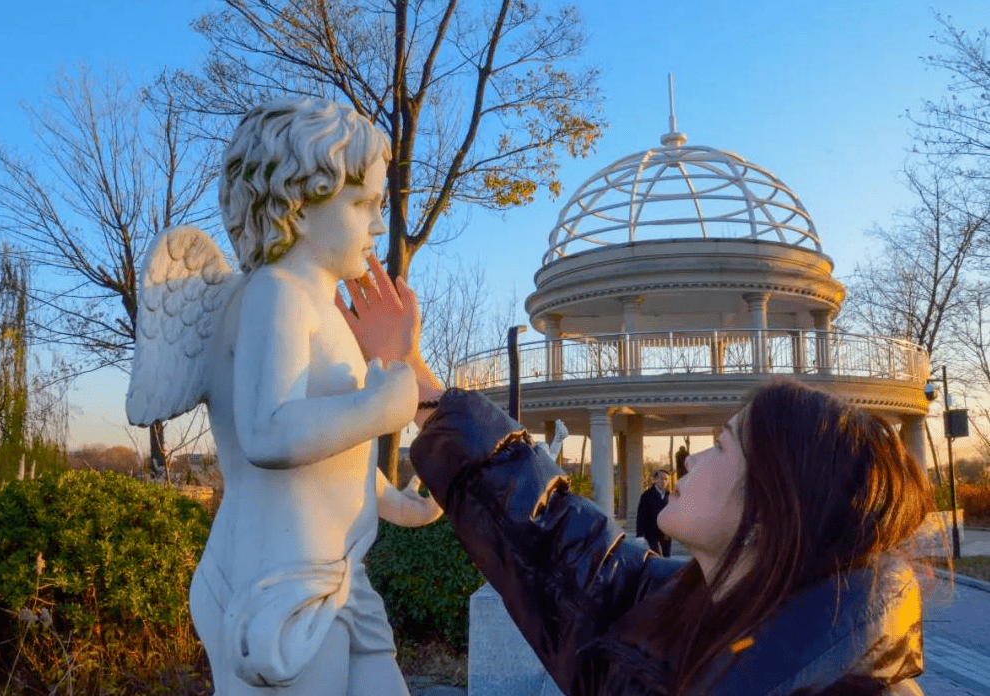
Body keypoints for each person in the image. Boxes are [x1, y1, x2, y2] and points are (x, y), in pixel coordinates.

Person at [340, 276, 938, 696]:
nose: (689, 460)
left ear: (767, 512)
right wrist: (419, 382)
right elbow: (561, 545)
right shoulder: (706, 611)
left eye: (723, 445)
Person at [126, 96, 441, 696]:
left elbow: (327, 451)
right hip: (281, 582)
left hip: (333, 576)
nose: (379, 224)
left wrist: (401, 503)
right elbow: (269, 431)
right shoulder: (278, 292)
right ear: (299, 204)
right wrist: (380, 409)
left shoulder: (311, 304)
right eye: (364, 204)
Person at [636, 469, 672, 557]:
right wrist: (640, 534)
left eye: (666, 479)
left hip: (666, 534)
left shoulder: (670, 496)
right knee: (657, 557)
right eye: (661, 478)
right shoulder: (646, 496)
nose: (663, 481)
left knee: (667, 558)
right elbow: (641, 516)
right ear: (656, 479)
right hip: (652, 533)